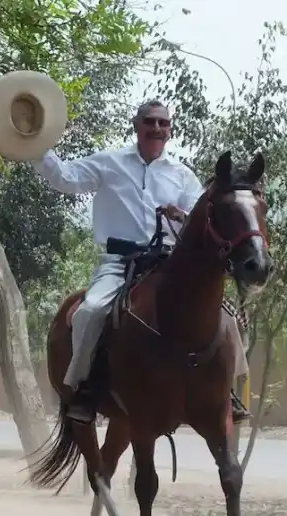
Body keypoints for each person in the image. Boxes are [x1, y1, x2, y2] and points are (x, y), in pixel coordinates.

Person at [31, 99, 252, 425]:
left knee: (228, 319)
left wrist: (183, 216)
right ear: (136, 126)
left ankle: (224, 392)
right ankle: (82, 390)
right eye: (150, 121)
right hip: (119, 263)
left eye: (163, 123)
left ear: (170, 130)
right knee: (91, 311)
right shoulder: (109, 163)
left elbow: (202, 221)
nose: (157, 128)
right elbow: (64, 177)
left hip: (169, 264)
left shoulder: (182, 175)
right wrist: (36, 145)